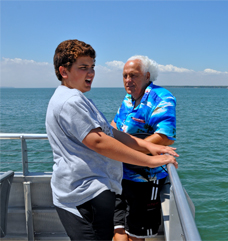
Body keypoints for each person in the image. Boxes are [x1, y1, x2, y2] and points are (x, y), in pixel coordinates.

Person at [45, 40, 178, 241]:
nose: (90, 73)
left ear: (147, 76)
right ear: (64, 72)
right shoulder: (71, 100)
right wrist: (150, 159)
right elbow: (100, 141)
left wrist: (149, 146)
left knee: (125, 232)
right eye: (83, 68)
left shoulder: (81, 98)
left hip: (103, 186)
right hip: (83, 193)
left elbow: (111, 132)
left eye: (92, 67)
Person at [111, 55, 176, 241]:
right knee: (118, 229)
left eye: (133, 75)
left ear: (147, 76)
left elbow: (165, 136)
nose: (128, 80)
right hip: (120, 173)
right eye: (124, 76)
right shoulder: (128, 98)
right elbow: (115, 125)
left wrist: (131, 151)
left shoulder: (162, 98)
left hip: (145, 180)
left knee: (136, 235)